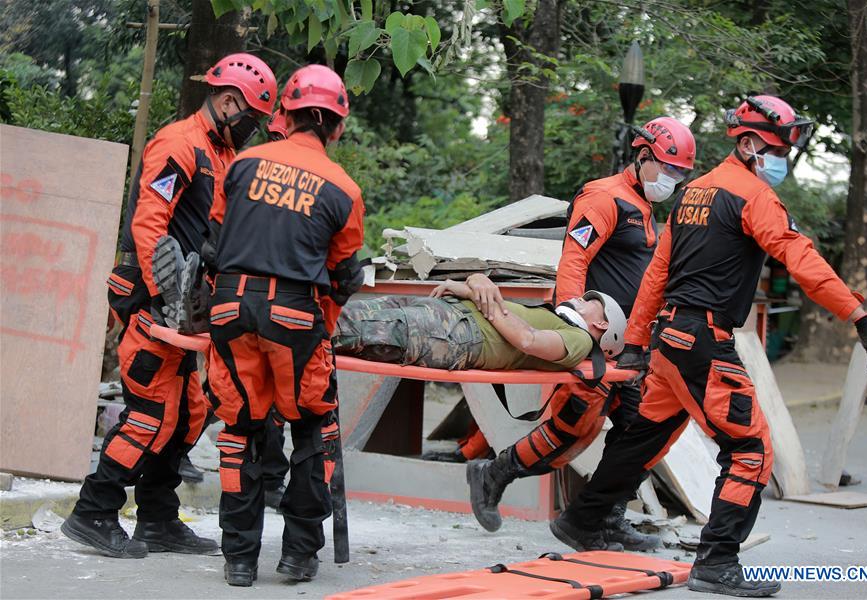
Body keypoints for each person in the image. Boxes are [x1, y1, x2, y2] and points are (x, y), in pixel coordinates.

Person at [552, 95, 867, 597]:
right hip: (704, 344)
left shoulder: (692, 194)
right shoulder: (753, 197)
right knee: (750, 449)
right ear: (749, 143)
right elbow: (801, 259)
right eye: (778, 148)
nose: (783, 160)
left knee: (646, 437)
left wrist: (641, 342)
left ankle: (582, 519)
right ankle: (717, 561)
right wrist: (857, 315)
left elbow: (656, 277)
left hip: (670, 341)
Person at [61, 53, 277, 559]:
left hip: (188, 309)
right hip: (155, 303)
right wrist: (164, 298)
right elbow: (148, 223)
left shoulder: (220, 153)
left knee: (189, 412)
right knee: (151, 413)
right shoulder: (180, 144)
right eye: (250, 119)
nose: (252, 130)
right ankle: (93, 510)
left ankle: (157, 518)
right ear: (228, 102)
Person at [465, 117, 696, 541]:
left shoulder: (642, 206)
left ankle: (606, 520)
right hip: (595, 338)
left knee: (635, 431)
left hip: (627, 344)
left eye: (681, 173)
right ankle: (493, 474)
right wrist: (577, 329)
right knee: (571, 430)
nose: (673, 180)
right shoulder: (605, 197)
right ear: (643, 156)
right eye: (668, 169)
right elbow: (574, 261)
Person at [205, 64, 364, 587]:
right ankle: (298, 554)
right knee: (314, 428)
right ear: (336, 126)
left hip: (229, 309)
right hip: (295, 315)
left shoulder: (242, 164)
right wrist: (323, 330)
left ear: (284, 114)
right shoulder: (344, 189)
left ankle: (239, 561)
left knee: (241, 429)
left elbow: (214, 243)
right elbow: (342, 278)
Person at [333, 284, 625, 373]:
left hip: (457, 334)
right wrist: (471, 284)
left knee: (345, 329)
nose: (579, 297)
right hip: (448, 312)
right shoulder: (555, 319)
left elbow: (527, 339)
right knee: (336, 316)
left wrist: (478, 294)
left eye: (590, 301)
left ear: (601, 324)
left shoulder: (580, 341)